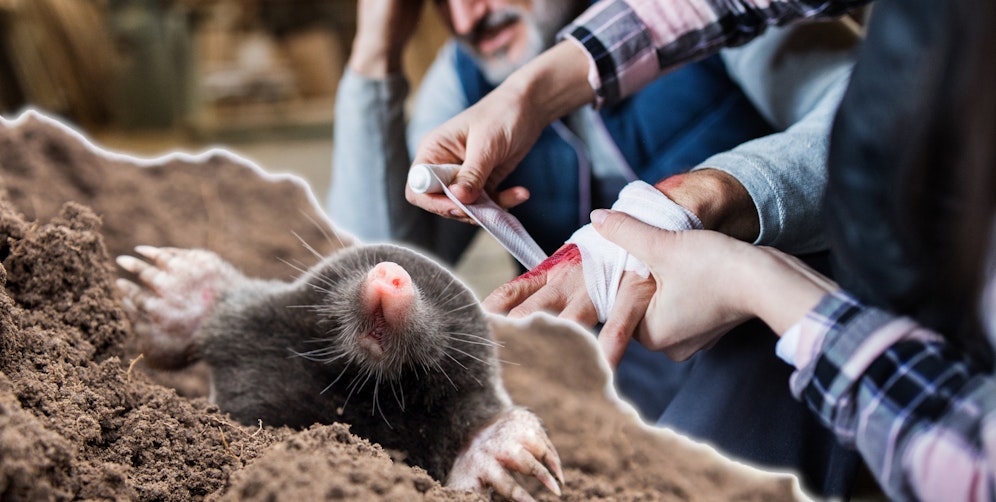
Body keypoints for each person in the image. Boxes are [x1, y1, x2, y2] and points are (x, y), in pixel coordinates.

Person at [328, 0, 866, 495]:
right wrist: (375, 52)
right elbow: (373, 271)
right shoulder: (467, 74)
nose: (467, 19)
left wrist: (697, 198)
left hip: (770, 342)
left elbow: (873, 122)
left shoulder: (707, 20)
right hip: (614, 398)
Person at [536, 0, 996, 498]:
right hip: (664, 323)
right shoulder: (476, 69)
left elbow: (966, 461)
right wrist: (529, 92)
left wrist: (727, 234)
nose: (468, 14)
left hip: (788, 297)